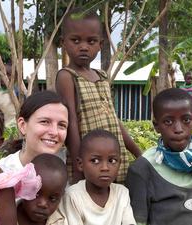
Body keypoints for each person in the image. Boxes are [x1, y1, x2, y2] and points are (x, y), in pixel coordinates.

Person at [56, 8, 141, 184]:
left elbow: (113, 118)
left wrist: (137, 152)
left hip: (113, 157)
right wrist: (80, 168)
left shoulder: (102, 76)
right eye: (76, 40)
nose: (84, 47)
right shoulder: (67, 76)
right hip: (89, 162)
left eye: (91, 41)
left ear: (100, 44)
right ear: (63, 42)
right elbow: (71, 121)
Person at [126, 88, 192, 225]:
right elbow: (138, 221)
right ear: (156, 125)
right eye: (168, 122)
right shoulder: (143, 168)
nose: (178, 129)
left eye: (186, 120)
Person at [59, 129, 136, 225]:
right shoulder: (73, 196)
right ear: (80, 164)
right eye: (95, 160)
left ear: (119, 163)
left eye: (112, 161)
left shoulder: (122, 193)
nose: (105, 168)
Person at [0, 90, 69, 172]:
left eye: (61, 125)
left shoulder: (72, 170)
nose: (54, 132)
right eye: (44, 122)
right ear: (22, 125)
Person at [17, 153, 68, 225]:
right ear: (22, 186)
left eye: (52, 198)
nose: (43, 204)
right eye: (36, 194)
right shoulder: (3, 215)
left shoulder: (62, 221)